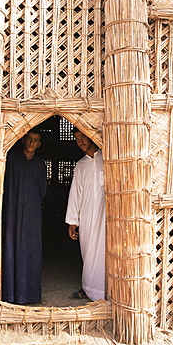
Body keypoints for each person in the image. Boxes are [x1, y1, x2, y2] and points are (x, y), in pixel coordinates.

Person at [2, 128, 47, 305]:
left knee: (31, 248)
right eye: (29, 139)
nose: (31, 143)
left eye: (35, 140)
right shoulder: (12, 159)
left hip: (32, 215)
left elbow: (42, 190)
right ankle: (10, 294)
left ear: (39, 144)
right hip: (12, 211)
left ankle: (31, 294)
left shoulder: (39, 165)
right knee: (11, 246)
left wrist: (30, 203)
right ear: (23, 140)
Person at [65, 128, 106, 301]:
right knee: (88, 251)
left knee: (106, 252)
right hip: (87, 214)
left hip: (106, 214)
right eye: (76, 139)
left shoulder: (107, 159)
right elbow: (76, 193)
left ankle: (107, 291)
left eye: (83, 137)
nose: (80, 141)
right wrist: (73, 221)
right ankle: (88, 288)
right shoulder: (80, 165)